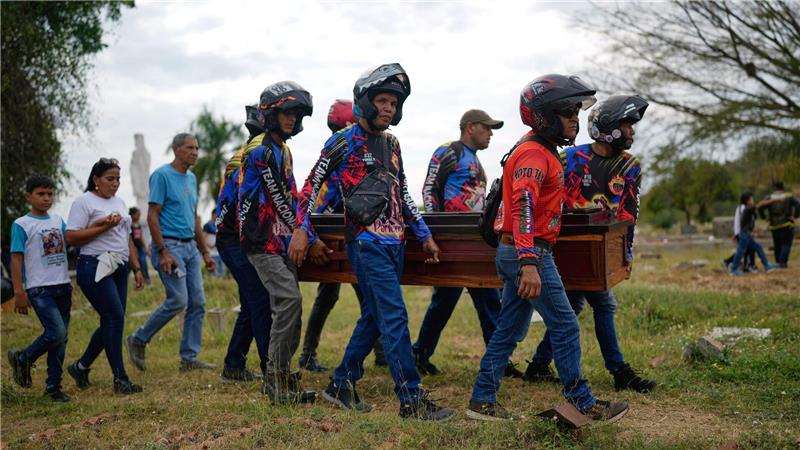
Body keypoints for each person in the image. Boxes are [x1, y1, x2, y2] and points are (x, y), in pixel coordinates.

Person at [290, 63, 455, 421]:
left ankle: (340, 384)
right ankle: (410, 399)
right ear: (365, 102)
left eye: (393, 104)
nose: (388, 108)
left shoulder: (393, 143)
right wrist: (303, 228)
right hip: (365, 243)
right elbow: (308, 188)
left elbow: (404, 193)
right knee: (394, 316)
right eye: (382, 100)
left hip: (396, 243)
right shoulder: (343, 141)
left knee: (374, 317)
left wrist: (423, 234)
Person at [466, 74, 628, 422]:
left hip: (520, 251)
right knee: (566, 325)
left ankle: (481, 399)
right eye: (567, 111)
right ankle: (581, 401)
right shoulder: (533, 154)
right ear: (544, 115)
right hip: (529, 253)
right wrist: (529, 262)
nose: (575, 118)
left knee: (509, 329)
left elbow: (536, 203)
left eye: (575, 111)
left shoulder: (541, 152)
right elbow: (523, 205)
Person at [523, 95, 657, 394]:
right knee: (601, 304)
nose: (632, 132)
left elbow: (629, 213)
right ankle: (619, 371)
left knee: (573, 304)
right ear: (607, 127)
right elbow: (552, 200)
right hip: (565, 246)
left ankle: (540, 364)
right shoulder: (570, 158)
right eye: (627, 125)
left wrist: (625, 252)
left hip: (601, 248)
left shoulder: (630, 165)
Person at [414, 109, 522, 378]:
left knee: (487, 299)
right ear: (470, 127)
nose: (491, 134)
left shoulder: (476, 161)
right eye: (487, 128)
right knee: (444, 302)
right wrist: (435, 231)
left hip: (476, 240)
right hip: (452, 239)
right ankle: (419, 355)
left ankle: (499, 361)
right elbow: (429, 189)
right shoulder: (448, 151)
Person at [237, 81, 315, 404]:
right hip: (260, 240)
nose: (291, 119)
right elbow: (280, 202)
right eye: (285, 112)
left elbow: (295, 198)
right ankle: (274, 379)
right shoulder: (259, 151)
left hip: (279, 240)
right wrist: (302, 231)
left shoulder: (284, 151)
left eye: (295, 114)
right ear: (270, 113)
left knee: (292, 308)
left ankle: (281, 374)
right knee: (289, 300)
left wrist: (306, 231)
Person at [298, 99, 386, 373]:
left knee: (351, 295)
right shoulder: (343, 147)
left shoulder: (346, 147)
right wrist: (311, 235)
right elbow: (313, 193)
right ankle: (309, 353)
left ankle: (380, 351)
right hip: (336, 232)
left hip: (341, 229)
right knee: (352, 295)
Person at [126, 133, 217, 372]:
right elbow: (152, 215)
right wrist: (162, 251)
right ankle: (138, 339)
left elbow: (194, 217)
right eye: (190, 148)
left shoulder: (192, 178)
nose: (195, 152)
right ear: (176, 150)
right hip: (170, 247)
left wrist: (205, 252)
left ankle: (189, 358)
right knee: (179, 299)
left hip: (189, 247)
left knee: (198, 302)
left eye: (197, 148)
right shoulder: (162, 176)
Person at [65, 158, 145, 395]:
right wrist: (103, 226)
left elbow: (127, 238)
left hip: (119, 266)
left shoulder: (119, 202)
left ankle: (80, 367)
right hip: (94, 265)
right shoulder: (84, 202)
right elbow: (71, 237)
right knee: (114, 317)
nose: (115, 183)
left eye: (118, 179)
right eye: (110, 179)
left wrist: (137, 267)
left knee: (112, 320)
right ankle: (120, 378)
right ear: (96, 180)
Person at [215, 105, 272, 383]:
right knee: (260, 299)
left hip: (237, 237)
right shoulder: (253, 155)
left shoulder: (245, 153)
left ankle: (234, 365)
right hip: (234, 239)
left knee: (252, 302)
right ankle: (270, 367)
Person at [7, 175, 73, 401]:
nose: (46, 199)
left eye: (50, 194)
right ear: (28, 196)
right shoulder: (21, 224)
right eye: (41, 194)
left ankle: (53, 387)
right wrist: (19, 292)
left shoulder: (58, 220)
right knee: (56, 332)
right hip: (39, 288)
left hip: (63, 286)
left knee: (61, 339)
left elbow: (69, 245)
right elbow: (16, 259)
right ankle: (23, 358)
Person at [730, 192, 779, 276]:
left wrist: (754, 231)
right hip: (745, 235)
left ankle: (767, 265)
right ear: (747, 201)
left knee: (758, 247)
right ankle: (734, 269)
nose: (753, 200)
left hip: (747, 235)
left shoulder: (747, 209)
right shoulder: (748, 209)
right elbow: (760, 204)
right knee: (740, 252)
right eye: (751, 199)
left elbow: (748, 224)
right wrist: (774, 200)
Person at [758, 181, 800, 268]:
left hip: (774, 225)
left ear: (774, 188)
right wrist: (795, 216)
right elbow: (798, 204)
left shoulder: (769, 197)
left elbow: (760, 207)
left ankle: (777, 263)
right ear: (782, 187)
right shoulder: (789, 196)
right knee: (786, 244)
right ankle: (782, 263)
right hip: (787, 223)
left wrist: (764, 217)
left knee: (777, 245)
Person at [723, 201, 757, 272]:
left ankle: (747, 265)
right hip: (743, 233)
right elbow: (742, 222)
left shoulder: (744, 208)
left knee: (745, 250)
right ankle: (732, 263)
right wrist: (737, 233)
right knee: (744, 250)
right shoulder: (743, 208)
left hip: (742, 232)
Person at [129, 207, 151, 285]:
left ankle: (147, 279)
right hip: (132, 249)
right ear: (132, 215)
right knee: (134, 265)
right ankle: (138, 281)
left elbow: (140, 236)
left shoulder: (137, 225)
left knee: (143, 262)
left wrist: (145, 247)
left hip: (140, 248)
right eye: (137, 214)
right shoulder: (129, 226)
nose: (139, 216)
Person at [202, 211, 225, 277]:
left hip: (218, 253)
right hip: (211, 253)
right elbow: (203, 237)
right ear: (213, 214)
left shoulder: (218, 225)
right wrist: (209, 246)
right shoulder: (207, 225)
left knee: (221, 273)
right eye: (216, 214)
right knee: (213, 274)